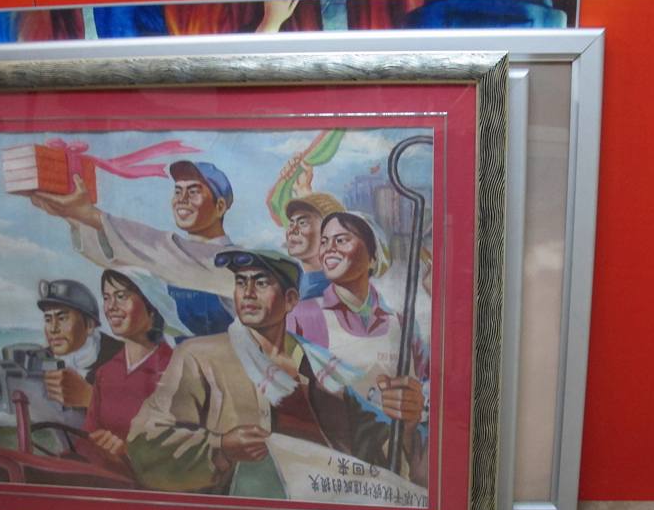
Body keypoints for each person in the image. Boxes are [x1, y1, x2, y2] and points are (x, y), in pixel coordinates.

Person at [126, 249, 426, 494]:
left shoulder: (323, 367)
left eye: (261, 283)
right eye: (241, 282)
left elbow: (375, 452)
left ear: (291, 299)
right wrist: (221, 448)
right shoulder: (199, 356)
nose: (248, 293)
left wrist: (407, 422)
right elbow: (146, 443)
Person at [30, 160, 236, 336]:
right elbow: (123, 259)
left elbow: (162, 250)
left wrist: (91, 216)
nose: (182, 200)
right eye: (178, 191)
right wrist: (71, 216)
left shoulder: (232, 262)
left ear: (219, 207)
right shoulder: (168, 264)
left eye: (193, 192)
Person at [287, 212, 429, 423]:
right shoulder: (302, 316)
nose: (329, 249)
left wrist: (416, 403)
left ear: (373, 257)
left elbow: (430, 382)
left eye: (341, 240)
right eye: (324, 242)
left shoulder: (402, 324)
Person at [83, 269, 180, 460]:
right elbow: (87, 437)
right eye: (106, 297)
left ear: (151, 305)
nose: (111, 306)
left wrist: (128, 453)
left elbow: (183, 452)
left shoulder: (176, 370)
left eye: (121, 296)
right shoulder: (105, 373)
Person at [34, 278, 122, 428]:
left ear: (89, 325)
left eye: (62, 318)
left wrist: (89, 397)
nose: (53, 329)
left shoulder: (121, 357)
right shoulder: (38, 359)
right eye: (48, 319)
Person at [283, 193, 344, 300]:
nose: (292, 230)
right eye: (291, 224)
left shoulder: (335, 290)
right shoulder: (296, 284)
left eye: (302, 223)